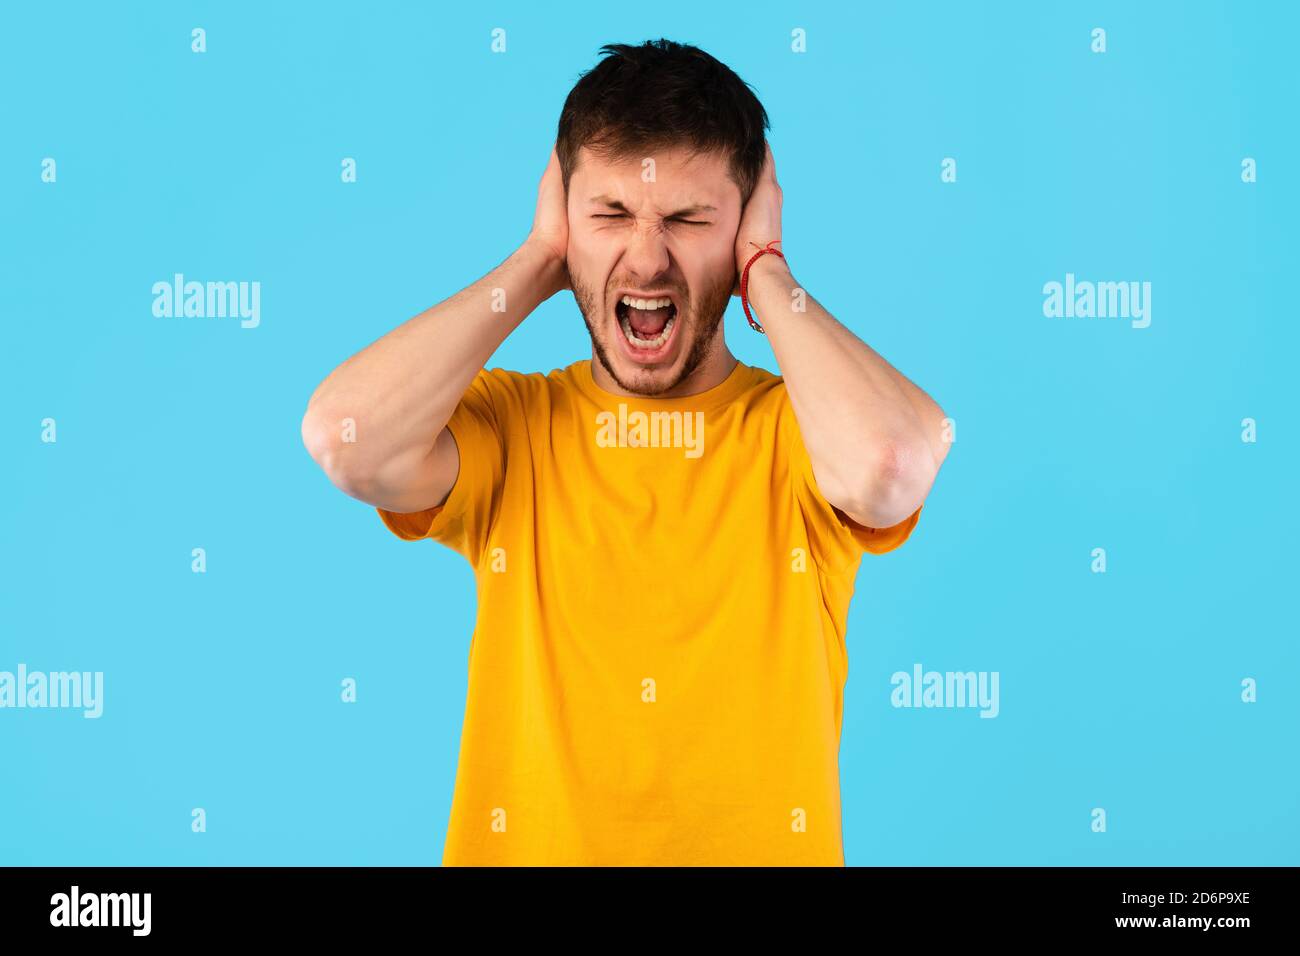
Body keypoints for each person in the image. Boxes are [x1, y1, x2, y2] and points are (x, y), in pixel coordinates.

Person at [302, 39, 951, 865]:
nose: (646, 257)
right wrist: (539, 261)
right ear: (564, 216)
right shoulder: (515, 428)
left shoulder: (797, 437)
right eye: (609, 215)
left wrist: (768, 273)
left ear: (746, 223)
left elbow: (891, 466)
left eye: (689, 219)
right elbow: (343, 438)